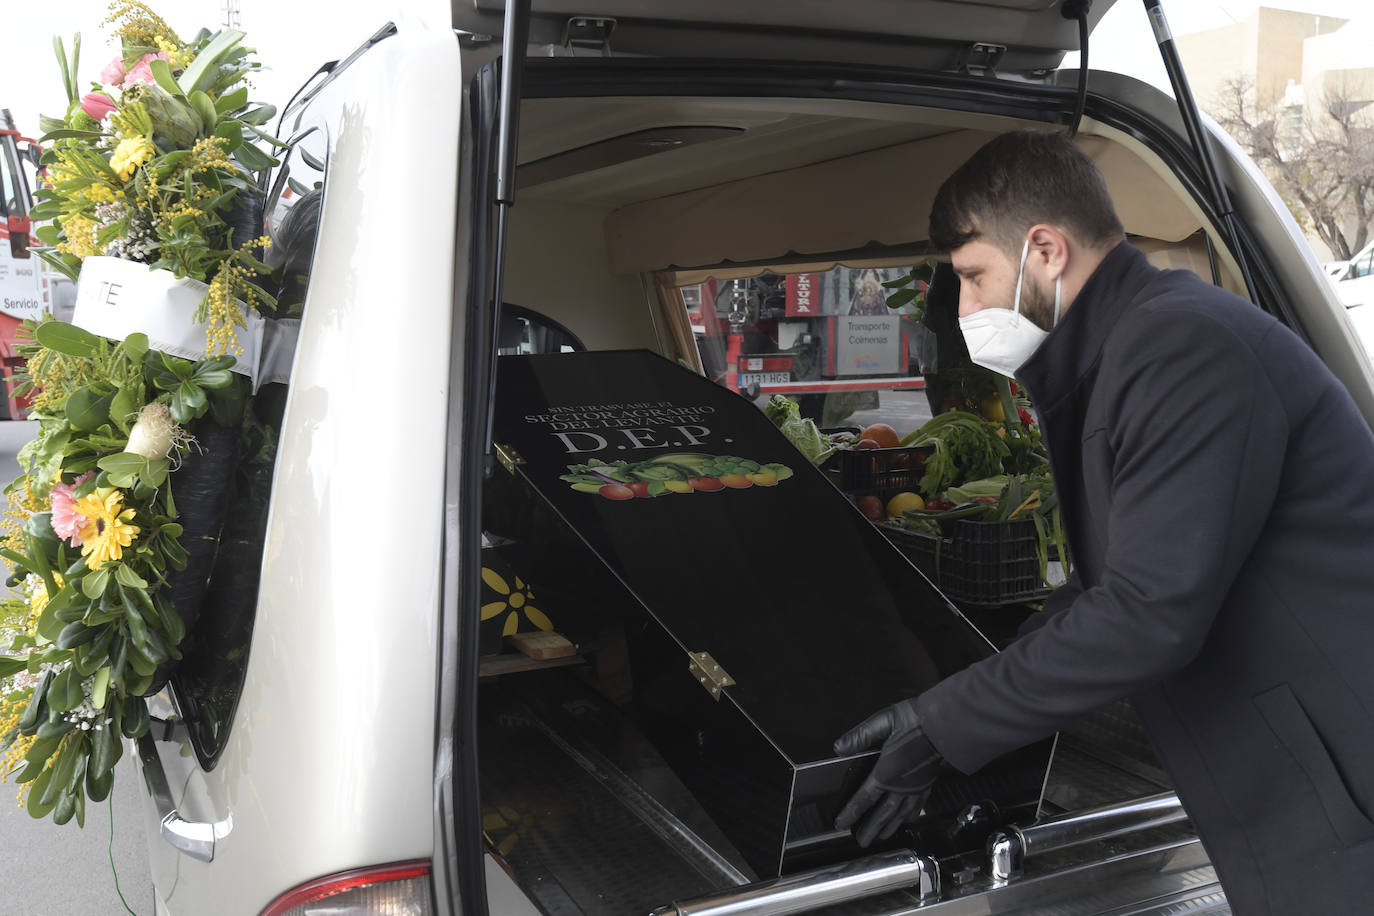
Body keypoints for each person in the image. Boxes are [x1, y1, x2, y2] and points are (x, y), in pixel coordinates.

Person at [833, 129, 1374, 914]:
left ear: (1045, 250)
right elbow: (1106, 588)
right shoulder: (1123, 354)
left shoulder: (1182, 347)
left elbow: (1148, 612)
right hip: (1306, 779)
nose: (966, 307)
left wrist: (946, 723)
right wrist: (968, 702)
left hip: (1344, 781)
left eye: (973, 276)